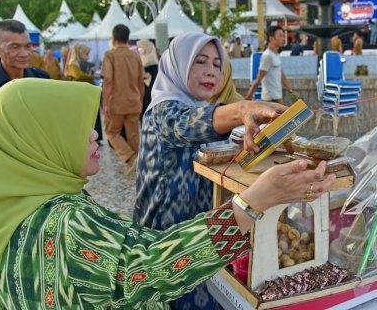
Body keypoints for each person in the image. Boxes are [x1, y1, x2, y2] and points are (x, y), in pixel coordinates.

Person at [0, 78, 336, 309]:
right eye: (71, 128)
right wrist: (254, 201)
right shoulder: (64, 222)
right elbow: (146, 269)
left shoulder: (0, 215)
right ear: (33, 142)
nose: (94, 136)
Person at [134, 32, 314, 309]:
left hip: (206, 239)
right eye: (200, 62)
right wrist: (243, 108)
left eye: (217, 64)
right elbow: (186, 125)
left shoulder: (202, 108)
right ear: (177, 66)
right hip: (167, 244)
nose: (211, 71)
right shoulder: (161, 112)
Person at [102, 24, 144, 170]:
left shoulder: (110, 55)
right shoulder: (136, 56)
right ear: (128, 38)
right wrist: (140, 99)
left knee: (111, 132)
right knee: (133, 135)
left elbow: (108, 81)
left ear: (113, 38)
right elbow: (141, 82)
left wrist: (105, 103)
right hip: (134, 100)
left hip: (116, 102)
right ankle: (139, 162)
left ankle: (130, 157)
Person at [246, 26, 299, 103]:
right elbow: (259, 79)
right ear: (271, 38)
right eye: (280, 36)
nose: (283, 38)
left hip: (277, 97)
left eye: (283, 36)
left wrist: (291, 91)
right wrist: (248, 97)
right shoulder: (267, 56)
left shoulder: (276, 55)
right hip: (270, 99)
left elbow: (282, 76)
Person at [137, 39, 159, 118]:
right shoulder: (142, 59)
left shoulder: (151, 62)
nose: (139, 49)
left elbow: (150, 76)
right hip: (143, 89)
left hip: (149, 89)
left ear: (147, 47)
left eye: (141, 47)